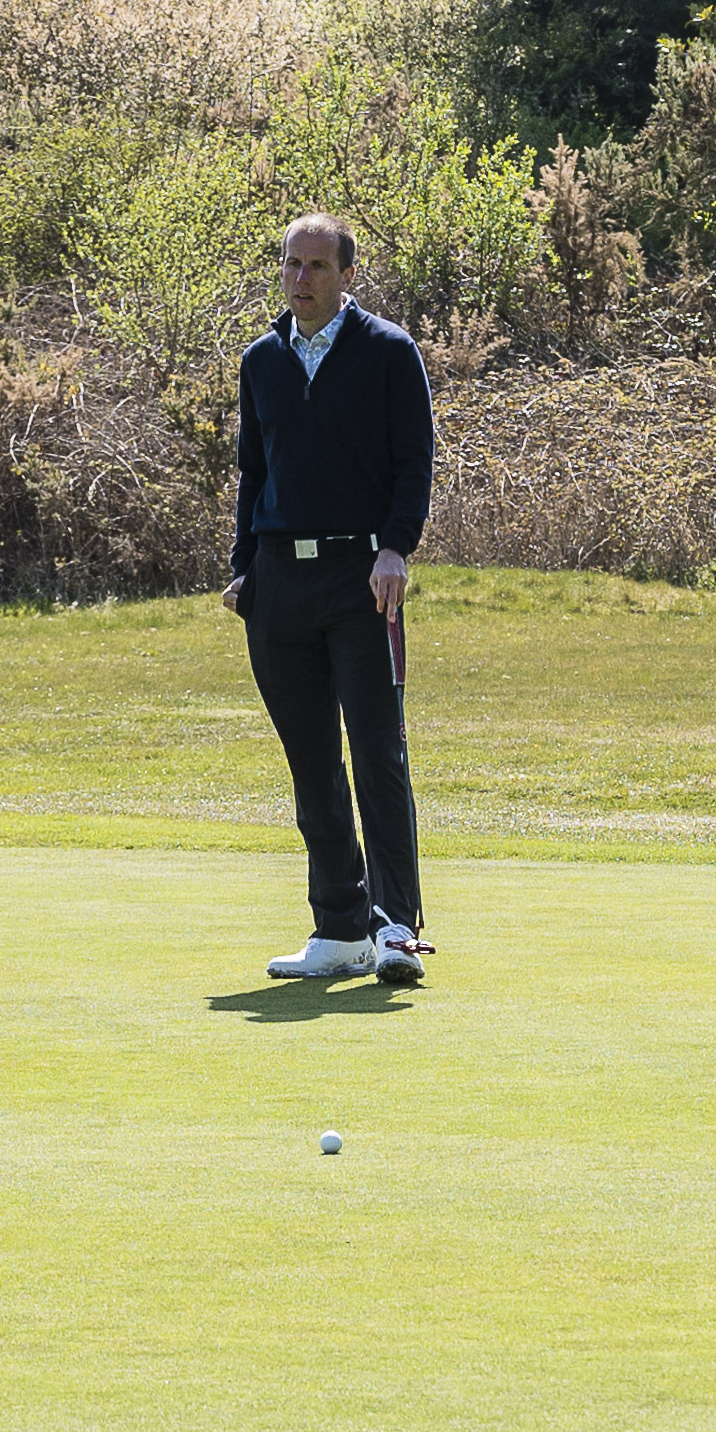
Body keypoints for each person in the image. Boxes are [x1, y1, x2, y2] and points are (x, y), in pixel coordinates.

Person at [227, 212, 435, 989]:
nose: (301, 279)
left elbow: (415, 459)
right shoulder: (261, 360)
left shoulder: (388, 352)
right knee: (310, 758)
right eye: (291, 264)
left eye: (317, 266)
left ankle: (395, 930)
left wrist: (395, 547)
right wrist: (244, 568)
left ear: (348, 275)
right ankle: (339, 925)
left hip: (363, 580)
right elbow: (253, 475)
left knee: (378, 751)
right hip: (280, 583)